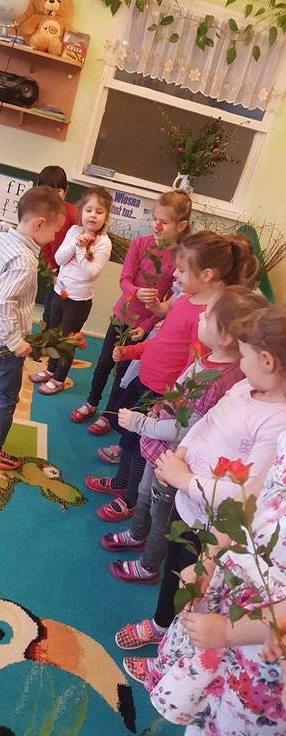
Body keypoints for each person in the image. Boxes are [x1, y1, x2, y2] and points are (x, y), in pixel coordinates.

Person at [115, 303, 286, 658]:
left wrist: (186, 480)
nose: (240, 363)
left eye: (245, 355)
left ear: (267, 361)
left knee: (193, 590)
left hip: (210, 523)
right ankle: (164, 626)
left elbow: (245, 494)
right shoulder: (246, 387)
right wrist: (181, 454)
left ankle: (170, 641)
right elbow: (205, 422)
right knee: (175, 568)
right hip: (186, 501)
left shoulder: (276, 423)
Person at [86, 230, 260, 523]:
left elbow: (194, 367)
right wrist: (131, 352)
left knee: (141, 448)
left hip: (162, 393)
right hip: (147, 381)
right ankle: (120, 482)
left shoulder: (208, 318)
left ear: (206, 274)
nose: (174, 275)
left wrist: (169, 401)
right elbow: (162, 340)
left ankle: (129, 498)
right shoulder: (184, 300)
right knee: (129, 438)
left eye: (181, 270)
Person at [125, 427, 286, 736]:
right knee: (204, 703)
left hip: (262, 631)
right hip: (234, 579)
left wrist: (228, 631)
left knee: (229, 719)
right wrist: (208, 560)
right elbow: (246, 500)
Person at [102, 286, 268, 584]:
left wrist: (142, 424)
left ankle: (148, 565)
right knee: (145, 494)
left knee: (161, 514)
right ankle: (137, 533)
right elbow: (179, 393)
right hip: (166, 449)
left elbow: (189, 424)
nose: (200, 316)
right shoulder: (207, 359)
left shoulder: (221, 379)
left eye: (208, 316)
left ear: (225, 337)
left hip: (175, 455)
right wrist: (160, 408)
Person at [69, 189, 192, 436]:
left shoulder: (180, 258)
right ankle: (92, 402)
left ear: (181, 226)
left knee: (123, 373)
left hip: (145, 325)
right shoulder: (139, 244)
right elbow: (125, 279)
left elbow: (171, 301)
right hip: (121, 315)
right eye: (154, 218)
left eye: (164, 221)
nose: (156, 225)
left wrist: (146, 326)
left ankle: (109, 414)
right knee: (104, 363)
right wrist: (136, 292)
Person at [0, 186, 66, 471]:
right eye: (55, 231)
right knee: (7, 397)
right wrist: (16, 342)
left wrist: (0, 226)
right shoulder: (24, 260)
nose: (54, 238)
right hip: (2, 341)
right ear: (39, 224)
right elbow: (0, 304)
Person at [29, 186, 113, 395]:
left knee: (67, 341)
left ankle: (59, 379)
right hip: (60, 292)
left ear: (106, 216)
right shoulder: (75, 231)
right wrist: (76, 243)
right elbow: (59, 259)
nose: (93, 215)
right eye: (88, 210)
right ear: (81, 211)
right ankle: (51, 370)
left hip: (78, 301)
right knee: (53, 334)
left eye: (99, 212)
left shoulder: (104, 243)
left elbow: (89, 273)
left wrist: (82, 249)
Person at [37, 165, 78, 328]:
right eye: (47, 192)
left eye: (57, 192)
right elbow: (44, 245)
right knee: (49, 312)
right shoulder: (39, 213)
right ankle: (45, 340)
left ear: (66, 191)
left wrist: (66, 271)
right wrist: (53, 271)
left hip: (71, 272)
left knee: (64, 317)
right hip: (55, 271)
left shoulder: (74, 214)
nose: (52, 197)